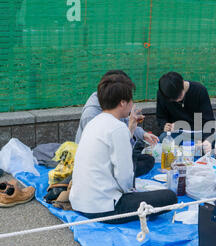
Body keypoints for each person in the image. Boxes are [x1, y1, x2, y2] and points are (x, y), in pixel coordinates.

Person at [69, 74, 177, 224]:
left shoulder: (94, 122)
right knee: (170, 197)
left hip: (78, 202)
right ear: (122, 103)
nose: (133, 104)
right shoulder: (117, 128)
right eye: (131, 101)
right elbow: (124, 177)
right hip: (103, 208)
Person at [74, 70, 158, 146]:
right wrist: (130, 132)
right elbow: (113, 152)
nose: (132, 103)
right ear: (122, 102)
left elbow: (125, 122)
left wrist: (142, 134)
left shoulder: (111, 108)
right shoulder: (91, 116)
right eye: (130, 98)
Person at [156, 71, 216, 151]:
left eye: (179, 96)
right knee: (162, 139)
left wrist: (207, 140)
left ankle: (190, 149)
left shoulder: (199, 90)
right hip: (178, 134)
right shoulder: (163, 94)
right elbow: (161, 117)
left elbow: (208, 121)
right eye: (173, 100)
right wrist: (164, 125)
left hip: (198, 132)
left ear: (183, 83)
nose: (177, 100)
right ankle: (191, 149)